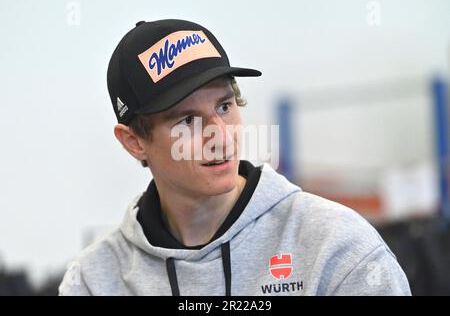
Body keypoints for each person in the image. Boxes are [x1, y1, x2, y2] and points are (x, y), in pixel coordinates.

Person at [58, 19, 411, 296]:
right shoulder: (93, 281)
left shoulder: (336, 247)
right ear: (134, 142)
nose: (222, 136)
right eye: (187, 120)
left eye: (224, 106)